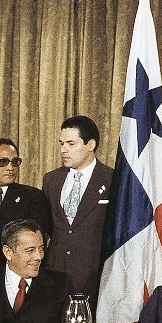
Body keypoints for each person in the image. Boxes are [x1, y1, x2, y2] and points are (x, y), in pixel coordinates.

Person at [42, 115, 113, 311]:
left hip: (94, 277)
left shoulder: (112, 180)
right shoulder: (51, 180)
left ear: (90, 144)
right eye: (62, 143)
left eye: (71, 143)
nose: (63, 149)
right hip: (54, 277)